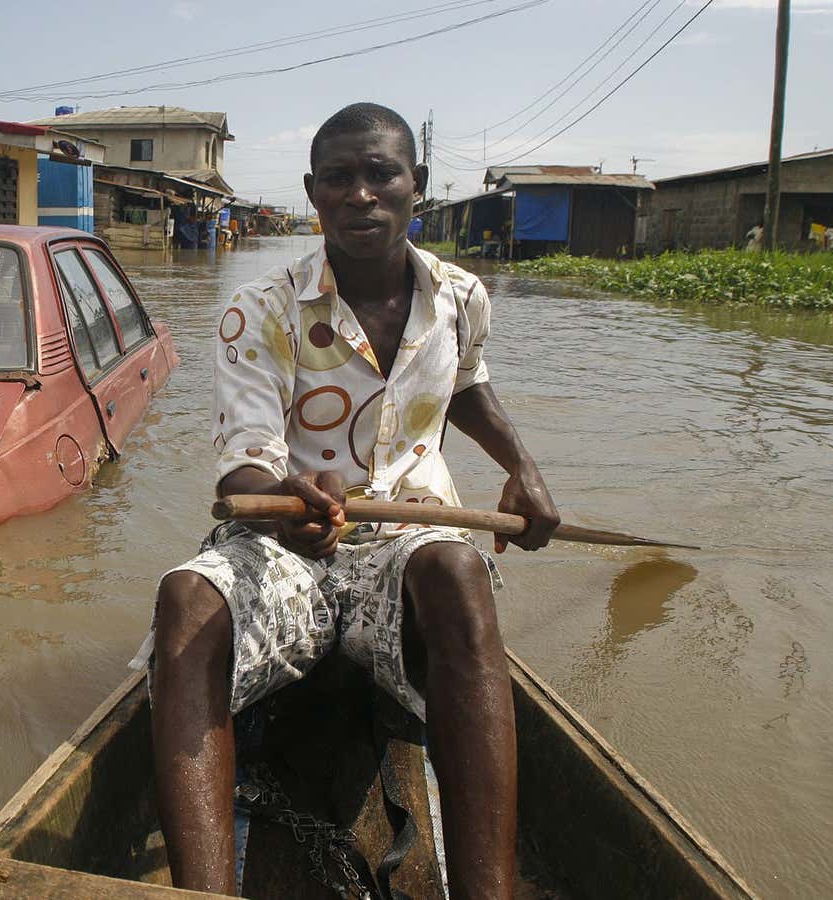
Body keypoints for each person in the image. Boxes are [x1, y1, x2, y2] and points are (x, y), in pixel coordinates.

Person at [147, 102, 560, 898]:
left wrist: (523, 466)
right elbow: (243, 474)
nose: (362, 194)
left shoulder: (462, 296)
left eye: (381, 174)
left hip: (408, 547)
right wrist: (289, 501)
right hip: (287, 548)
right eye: (340, 178)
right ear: (314, 193)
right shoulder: (261, 309)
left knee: (460, 577)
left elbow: (465, 385)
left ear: (418, 186)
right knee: (185, 600)